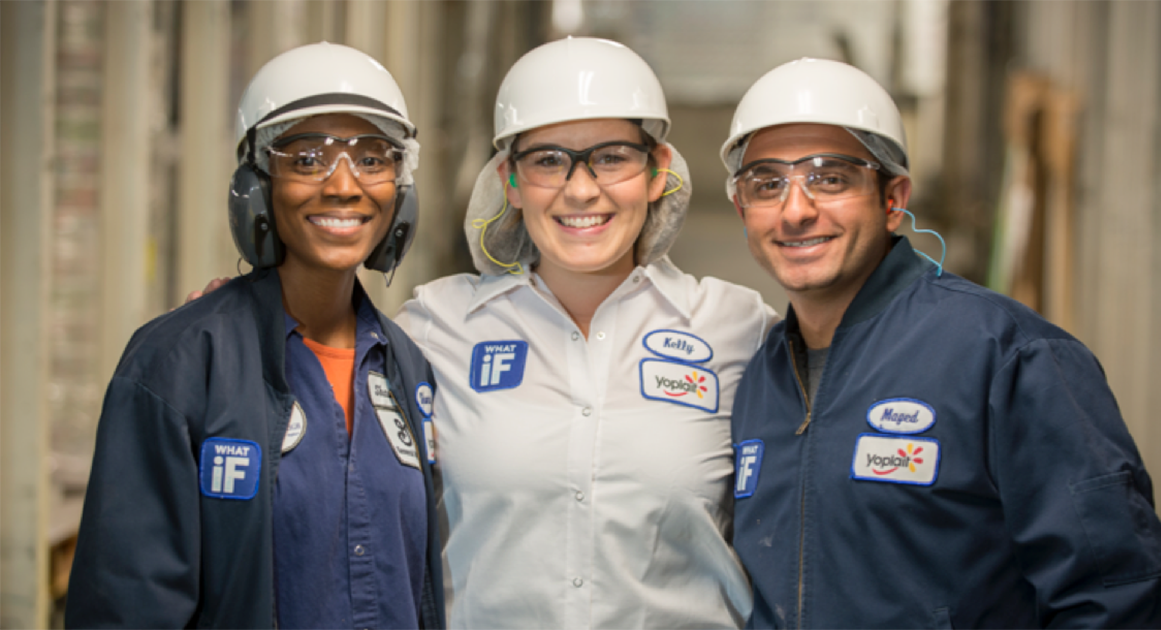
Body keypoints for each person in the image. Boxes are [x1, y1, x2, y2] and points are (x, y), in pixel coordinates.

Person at [721, 57, 1161, 629]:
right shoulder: (756, 376)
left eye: (830, 177)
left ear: (894, 199)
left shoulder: (1006, 356)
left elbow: (1117, 596)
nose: (795, 209)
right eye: (767, 184)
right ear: (743, 210)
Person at [395, 37, 776, 629]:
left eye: (612, 157)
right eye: (548, 160)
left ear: (657, 173)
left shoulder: (738, 328)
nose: (580, 188)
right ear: (511, 183)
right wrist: (245, 314)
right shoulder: (434, 327)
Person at [66, 43, 445, 630]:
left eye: (373, 158)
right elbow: (124, 607)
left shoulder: (408, 370)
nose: (345, 185)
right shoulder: (179, 364)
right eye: (308, 158)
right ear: (256, 184)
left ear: (401, 190)